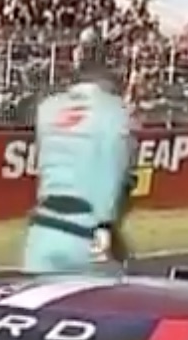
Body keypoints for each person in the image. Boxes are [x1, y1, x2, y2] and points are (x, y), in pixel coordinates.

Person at [21, 56, 134, 274]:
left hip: (42, 230)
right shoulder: (114, 111)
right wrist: (107, 225)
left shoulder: (48, 107)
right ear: (108, 83)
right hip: (87, 234)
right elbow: (115, 172)